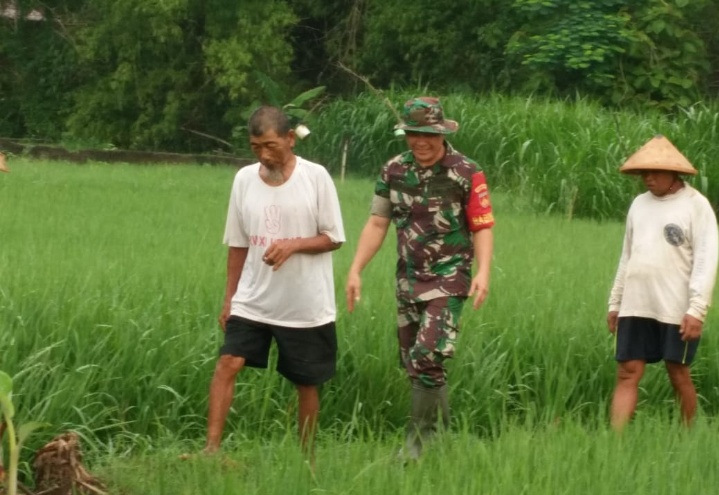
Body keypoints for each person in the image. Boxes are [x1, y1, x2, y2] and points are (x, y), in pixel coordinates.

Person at [345, 96, 494, 459]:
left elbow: (482, 225)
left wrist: (484, 272)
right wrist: (355, 269)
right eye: (413, 134)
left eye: (428, 134)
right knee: (418, 364)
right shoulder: (393, 170)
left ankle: (416, 447)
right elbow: (378, 222)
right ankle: (440, 444)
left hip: (450, 277)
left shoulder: (466, 170)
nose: (420, 142)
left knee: (427, 355)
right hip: (408, 279)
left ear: (441, 133)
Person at [203, 106, 345, 456]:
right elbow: (238, 244)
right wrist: (229, 299)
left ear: (289, 139)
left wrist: (294, 244)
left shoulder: (316, 177)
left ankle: (307, 459)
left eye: (271, 145)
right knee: (228, 363)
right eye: (255, 147)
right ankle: (211, 449)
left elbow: (334, 237)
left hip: (305, 304)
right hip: (254, 298)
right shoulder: (243, 179)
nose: (264, 155)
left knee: (306, 383)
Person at [607, 135, 718, 431]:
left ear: (673, 173)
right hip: (636, 303)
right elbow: (626, 256)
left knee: (677, 370)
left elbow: (706, 260)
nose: (648, 178)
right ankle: (613, 444)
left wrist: (697, 309)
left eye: (654, 172)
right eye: (643, 172)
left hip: (675, 307)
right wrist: (615, 302)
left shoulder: (697, 206)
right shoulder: (638, 205)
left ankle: (686, 435)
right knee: (628, 372)